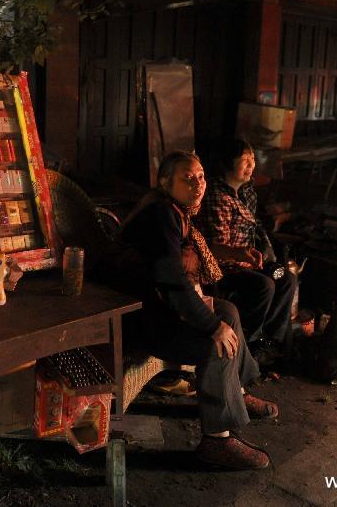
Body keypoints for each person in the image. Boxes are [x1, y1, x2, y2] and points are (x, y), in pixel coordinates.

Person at [117, 151, 276, 470]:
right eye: (187, 178)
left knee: (228, 309)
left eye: (201, 176)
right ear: (165, 182)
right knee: (215, 341)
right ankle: (217, 440)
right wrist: (210, 326)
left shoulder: (176, 211)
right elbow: (170, 278)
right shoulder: (160, 215)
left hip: (158, 308)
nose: (198, 184)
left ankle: (237, 392)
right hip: (141, 317)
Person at [196, 139, 297, 359]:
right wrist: (241, 254)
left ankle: (270, 342)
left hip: (250, 260)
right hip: (224, 267)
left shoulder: (247, 191)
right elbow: (214, 247)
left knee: (288, 279)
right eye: (245, 160)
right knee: (264, 285)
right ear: (227, 164)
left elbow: (256, 226)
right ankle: (246, 345)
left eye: (252, 159)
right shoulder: (215, 195)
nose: (251, 165)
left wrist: (266, 250)